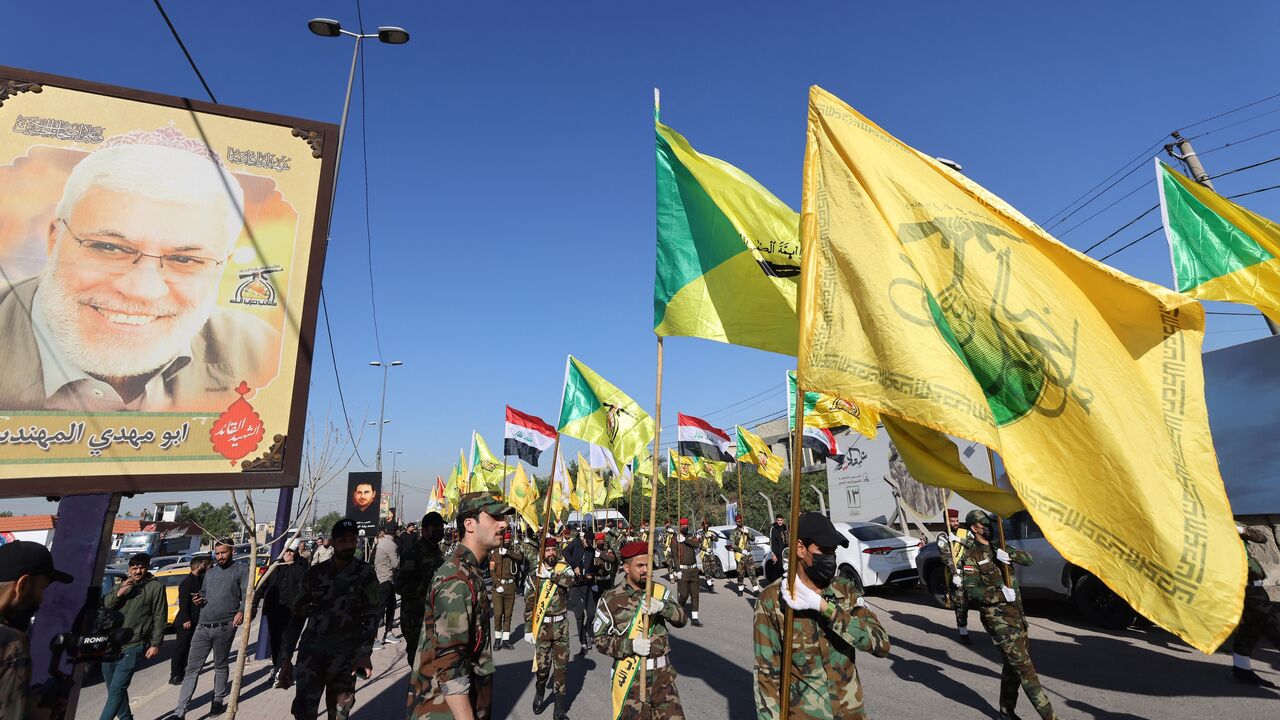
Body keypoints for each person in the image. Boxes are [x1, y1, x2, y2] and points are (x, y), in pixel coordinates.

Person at [0, 128, 279, 412]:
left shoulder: (260, 352)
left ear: (220, 268)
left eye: (184, 260)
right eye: (110, 248)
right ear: (54, 240)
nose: (141, 290)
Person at [753, 512, 890, 719]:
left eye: (833, 551)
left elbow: (881, 645)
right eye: (823, 550)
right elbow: (767, 676)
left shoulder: (845, 590)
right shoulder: (772, 600)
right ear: (800, 548)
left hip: (851, 712)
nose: (830, 558)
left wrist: (826, 608)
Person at [407, 493, 513, 720]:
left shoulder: (470, 571)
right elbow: (450, 659)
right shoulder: (457, 578)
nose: (504, 524)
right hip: (444, 710)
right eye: (495, 517)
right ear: (469, 524)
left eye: (504, 518)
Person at [960, 510, 1056, 720]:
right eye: (984, 524)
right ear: (974, 528)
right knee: (1025, 669)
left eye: (989, 523)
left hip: (1017, 616)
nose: (989, 526)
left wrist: (1009, 554)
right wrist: (999, 594)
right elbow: (971, 591)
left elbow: (1028, 560)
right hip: (999, 622)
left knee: (1012, 668)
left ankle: (1006, 712)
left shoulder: (999, 545)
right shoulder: (971, 557)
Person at [290, 519, 380, 720]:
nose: (349, 545)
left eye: (352, 540)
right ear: (333, 542)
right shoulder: (315, 573)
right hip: (312, 656)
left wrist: (366, 653)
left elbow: (373, 614)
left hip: (346, 658)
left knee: (340, 713)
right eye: (343, 541)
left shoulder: (365, 573)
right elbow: (297, 617)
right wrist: (286, 658)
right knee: (304, 711)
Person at [594, 541, 688, 719]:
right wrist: (630, 645)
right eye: (640, 565)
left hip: (664, 682)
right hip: (632, 683)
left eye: (648, 565)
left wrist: (663, 607)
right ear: (626, 568)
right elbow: (599, 640)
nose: (646, 570)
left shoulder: (659, 591)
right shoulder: (611, 599)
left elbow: (682, 620)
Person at [164, 540, 248, 719]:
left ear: (231, 551)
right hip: (202, 626)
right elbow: (203, 593)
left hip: (225, 626)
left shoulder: (241, 570)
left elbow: (247, 595)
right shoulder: (210, 573)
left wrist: (241, 611)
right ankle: (180, 710)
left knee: (220, 664)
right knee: (191, 669)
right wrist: (198, 599)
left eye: (223, 553)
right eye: (217, 554)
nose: (220, 557)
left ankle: (218, 700)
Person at [0, 540, 73, 720]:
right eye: (42, 588)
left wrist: (27, 701)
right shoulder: (11, 642)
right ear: (22, 585)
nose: (41, 600)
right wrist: (40, 714)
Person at [515, 536, 576, 719]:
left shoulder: (563, 568)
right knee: (543, 668)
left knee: (561, 668)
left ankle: (559, 708)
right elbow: (529, 605)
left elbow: (571, 581)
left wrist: (551, 576)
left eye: (552, 550)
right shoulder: (534, 575)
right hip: (542, 627)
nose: (550, 553)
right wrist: (527, 629)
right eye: (547, 550)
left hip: (561, 627)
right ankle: (540, 692)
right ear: (542, 553)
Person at [100, 553, 167, 720]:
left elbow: (160, 615)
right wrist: (120, 591)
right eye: (134, 568)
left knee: (117, 689)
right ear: (129, 569)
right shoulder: (121, 585)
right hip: (110, 645)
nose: (138, 571)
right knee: (114, 689)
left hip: (134, 643)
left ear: (147, 568)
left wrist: (155, 643)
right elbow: (106, 605)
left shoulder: (155, 587)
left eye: (142, 567)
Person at [253, 544, 309, 688]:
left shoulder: (301, 565)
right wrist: (253, 603)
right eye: (286, 551)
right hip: (274, 610)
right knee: (276, 641)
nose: (288, 554)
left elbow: (304, 585)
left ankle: (280, 669)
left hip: (293, 612)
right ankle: (278, 666)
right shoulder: (275, 565)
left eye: (291, 551)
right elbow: (261, 584)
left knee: (287, 641)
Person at [1232, 524, 1279, 686]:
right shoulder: (1208, 531)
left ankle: (1241, 669)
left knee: (1251, 628)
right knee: (1271, 623)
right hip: (1240, 584)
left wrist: (1241, 530)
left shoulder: (1232, 525)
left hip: (1254, 583)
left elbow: (1262, 538)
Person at [397, 512, 446, 664]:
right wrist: (427, 586)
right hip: (416, 620)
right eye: (435, 527)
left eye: (441, 527)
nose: (440, 530)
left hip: (435, 620)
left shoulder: (437, 552)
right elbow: (400, 586)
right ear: (424, 530)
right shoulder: (413, 553)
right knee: (419, 666)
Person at [169, 555, 211, 685]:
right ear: (198, 566)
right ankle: (175, 675)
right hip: (185, 621)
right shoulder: (187, 582)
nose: (206, 567)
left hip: (194, 620)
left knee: (189, 647)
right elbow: (183, 603)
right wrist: (186, 619)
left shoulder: (199, 580)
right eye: (204, 565)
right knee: (180, 648)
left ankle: (184, 671)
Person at [938, 509, 972, 645]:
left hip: (972, 573)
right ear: (946, 521)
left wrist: (959, 540)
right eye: (952, 521)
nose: (956, 523)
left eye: (957, 520)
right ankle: (963, 632)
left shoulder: (966, 532)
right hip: (957, 575)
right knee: (960, 605)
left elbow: (973, 545)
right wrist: (954, 573)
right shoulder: (942, 537)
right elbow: (946, 557)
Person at [561, 528, 596, 658]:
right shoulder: (575, 543)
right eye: (588, 541)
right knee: (579, 614)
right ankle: (583, 643)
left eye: (591, 542)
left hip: (586, 585)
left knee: (592, 612)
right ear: (583, 539)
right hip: (574, 585)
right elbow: (564, 552)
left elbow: (591, 568)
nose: (589, 544)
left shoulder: (591, 551)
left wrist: (591, 577)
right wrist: (575, 565)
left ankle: (587, 630)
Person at [490, 531, 519, 651]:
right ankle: (497, 639)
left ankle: (506, 640)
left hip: (510, 586)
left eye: (508, 541)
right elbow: (491, 571)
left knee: (508, 615)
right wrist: (497, 584)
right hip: (498, 587)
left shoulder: (512, 551)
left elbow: (520, 557)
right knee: (498, 614)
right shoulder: (495, 553)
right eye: (505, 541)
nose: (506, 543)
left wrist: (508, 552)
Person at [373, 523, 401, 647]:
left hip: (381, 577)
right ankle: (373, 639)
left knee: (391, 605)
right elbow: (395, 564)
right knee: (380, 609)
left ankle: (388, 633)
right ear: (396, 532)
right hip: (386, 579)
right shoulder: (392, 545)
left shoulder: (381, 542)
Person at [671, 519, 702, 627]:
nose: (685, 527)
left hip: (693, 570)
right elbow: (674, 556)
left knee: (695, 594)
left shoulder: (690, 536)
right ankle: (679, 609)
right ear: (679, 527)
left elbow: (697, 544)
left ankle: (695, 618)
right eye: (683, 526)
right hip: (683, 571)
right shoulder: (675, 539)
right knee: (684, 594)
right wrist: (677, 570)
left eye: (686, 525)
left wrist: (685, 540)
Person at [732, 516, 760, 595]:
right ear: (736, 522)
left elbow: (753, 539)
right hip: (740, 556)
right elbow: (732, 545)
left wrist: (747, 533)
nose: (739, 522)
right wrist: (741, 550)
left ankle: (756, 590)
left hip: (749, 556)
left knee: (752, 573)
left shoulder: (746, 530)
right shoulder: (733, 532)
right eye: (738, 521)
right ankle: (740, 589)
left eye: (740, 521)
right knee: (740, 574)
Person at [765, 515, 787, 586]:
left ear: (783, 520)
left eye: (781, 520)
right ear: (776, 521)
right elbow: (772, 542)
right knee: (779, 570)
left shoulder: (785, 527)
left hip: (786, 552)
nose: (779, 522)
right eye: (778, 520)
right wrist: (773, 554)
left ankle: (785, 584)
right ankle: (778, 585)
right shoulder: (774, 528)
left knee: (785, 569)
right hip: (778, 553)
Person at [697, 519, 718, 592]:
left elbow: (716, 539)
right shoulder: (699, 534)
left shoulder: (710, 533)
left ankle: (708, 578)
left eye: (707, 525)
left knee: (713, 569)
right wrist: (705, 548)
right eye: (704, 525)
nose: (706, 526)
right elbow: (698, 544)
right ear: (702, 526)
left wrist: (712, 536)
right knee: (706, 569)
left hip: (711, 553)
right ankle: (709, 583)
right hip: (704, 553)